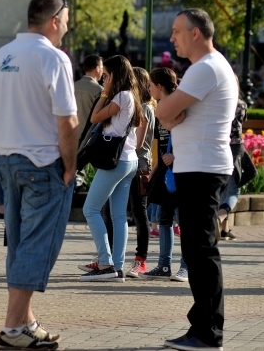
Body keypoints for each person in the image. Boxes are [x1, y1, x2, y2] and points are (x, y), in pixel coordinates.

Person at [0, 0, 76, 350]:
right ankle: (12, 329)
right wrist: (69, 166)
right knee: (37, 245)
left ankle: (26, 322)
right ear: (54, 20)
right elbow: (67, 119)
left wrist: (9, 146)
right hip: (42, 162)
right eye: (65, 19)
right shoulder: (53, 58)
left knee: (20, 244)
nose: (67, 26)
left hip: (6, 161)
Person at [156, 8, 237, 351]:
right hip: (198, 167)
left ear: (195, 33)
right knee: (197, 248)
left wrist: (170, 114)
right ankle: (201, 327)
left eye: (176, 31)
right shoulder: (206, 68)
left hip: (203, 169)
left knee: (201, 251)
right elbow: (168, 113)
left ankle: (207, 333)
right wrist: (171, 114)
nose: (172, 38)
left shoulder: (205, 68)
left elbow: (162, 111)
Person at [79, 55, 145, 282]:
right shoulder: (132, 96)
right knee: (118, 216)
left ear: (115, 74)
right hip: (128, 160)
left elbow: (95, 117)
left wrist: (105, 92)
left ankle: (106, 262)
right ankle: (117, 267)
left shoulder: (121, 95)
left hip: (115, 162)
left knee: (90, 209)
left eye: (107, 74)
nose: (104, 78)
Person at [140, 67, 189, 282]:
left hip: (182, 169)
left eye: (151, 84)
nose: (148, 88)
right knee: (164, 218)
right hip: (166, 170)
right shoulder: (160, 106)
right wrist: (156, 169)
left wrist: (176, 156)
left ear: (159, 86)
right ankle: (163, 265)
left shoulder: (179, 106)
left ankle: (186, 267)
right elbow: (162, 145)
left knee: (183, 219)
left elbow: (189, 136)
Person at [124, 66, 157, 278]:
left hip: (139, 164)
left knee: (139, 212)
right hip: (135, 163)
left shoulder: (144, 108)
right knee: (123, 212)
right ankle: (108, 257)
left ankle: (141, 260)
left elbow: (139, 142)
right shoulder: (141, 106)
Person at [219, 94, 247, 241]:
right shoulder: (240, 104)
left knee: (222, 188)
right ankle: (219, 218)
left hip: (218, 144)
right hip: (235, 146)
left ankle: (224, 229)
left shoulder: (216, 100)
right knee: (233, 190)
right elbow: (240, 123)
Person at [74, 55, 103, 141]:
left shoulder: (72, 86)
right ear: (97, 69)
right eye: (102, 67)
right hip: (89, 139)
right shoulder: (100, 90)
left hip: (72, 136)